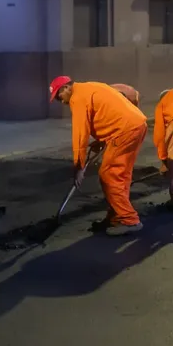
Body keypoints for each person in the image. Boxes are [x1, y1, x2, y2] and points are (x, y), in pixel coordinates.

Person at [50, 76, 148, 236]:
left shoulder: (78, 98)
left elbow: (80, 135)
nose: (60, 101)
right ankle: (117, 216)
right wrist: (102, 140)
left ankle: (129, 220)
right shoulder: (89, 87)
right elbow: (105, 114)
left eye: (59, 96)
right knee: (120, 176)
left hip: (125, 131)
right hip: (135, 126)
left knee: (109, 176)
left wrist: (79, 167)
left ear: (67, 88)